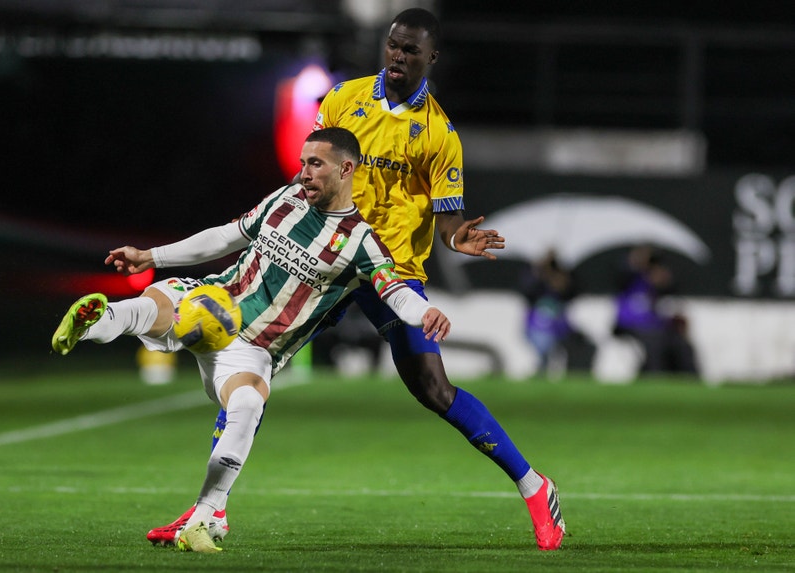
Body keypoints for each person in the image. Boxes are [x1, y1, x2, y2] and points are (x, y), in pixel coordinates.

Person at [148, 8, 565, 551]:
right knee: (252, 351)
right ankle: (211, 510)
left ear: (430, 58)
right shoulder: (344, 99)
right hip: (327, 256)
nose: (397, 55)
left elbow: (448, 216)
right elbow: (313, 170)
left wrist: (456, 236)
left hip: (386, 267)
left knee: (433, 390)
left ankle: (535, 487)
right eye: (393, 45)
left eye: (410, 49)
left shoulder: (438, 134)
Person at [52, 127, 451, 553]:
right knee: (156, 304)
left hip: (254, 349)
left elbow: (395, 291)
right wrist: (151, 257)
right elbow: (226, 236)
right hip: (215, 303)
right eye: (303, 163)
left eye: (315, 164)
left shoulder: (361, 243)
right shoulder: (285, 199)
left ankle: (203, 518)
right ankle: (94, 322)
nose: (305, 173)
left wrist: (423, 311)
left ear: (346, 168)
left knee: (246, 407)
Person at [613, 245, 697, 374]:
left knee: (681, 344)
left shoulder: (657, 286)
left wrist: (661, 282)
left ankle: (690, 379)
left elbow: (670, 303)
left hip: (655, 327)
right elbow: (622, 272)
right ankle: (655, 375)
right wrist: (639, 262)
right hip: (629, 326)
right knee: (654, 342)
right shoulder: (629, 279)